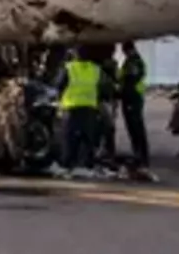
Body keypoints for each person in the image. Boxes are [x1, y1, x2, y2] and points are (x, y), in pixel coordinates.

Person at [56, 45, 106, 173]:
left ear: (75, 55)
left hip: (71, 108)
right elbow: (104, 87)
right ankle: (88, 165)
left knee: (69, 138)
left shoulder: (69, 68)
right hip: (89, 108)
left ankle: (67, 165)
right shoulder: (95, 69)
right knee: (88, 138)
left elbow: (59, 84)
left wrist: (58, 100)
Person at [118, 41, 150, 167]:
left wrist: (121, 92)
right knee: (133, 128)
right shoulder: (131, 61)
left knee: (136, 127)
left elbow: (130, 80)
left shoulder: (134, 62)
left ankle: (141, 156)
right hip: (131, 97)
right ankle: (139, 154)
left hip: (133, 97)